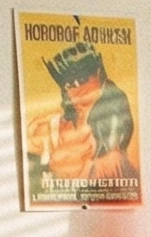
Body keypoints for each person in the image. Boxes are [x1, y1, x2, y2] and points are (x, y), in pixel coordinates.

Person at [26, 41, 135, 196]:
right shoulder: (46, 127)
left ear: (98, 73)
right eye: (69, 85)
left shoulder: (112, 108)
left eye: (81, 81)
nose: (76, 91)